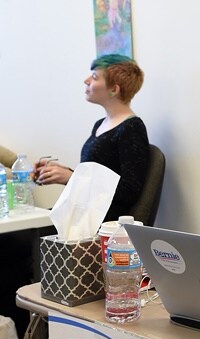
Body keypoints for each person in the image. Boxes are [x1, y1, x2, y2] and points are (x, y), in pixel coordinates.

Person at [34, 53, 149, 222]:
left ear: (114, 89)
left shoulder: (131, 128)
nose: (86, 80)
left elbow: (128, 192)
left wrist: (71, 178)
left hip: (102, 223)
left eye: (94, 77)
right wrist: (62, 173)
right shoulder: (100, 125)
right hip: (84, 214)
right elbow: (95, 176)